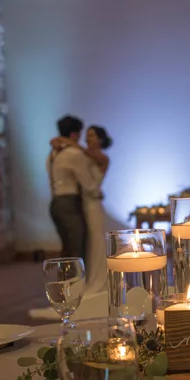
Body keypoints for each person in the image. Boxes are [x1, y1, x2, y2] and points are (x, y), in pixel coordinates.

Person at [50, 125, 113, 295]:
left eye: (91, 135)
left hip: (92, 203)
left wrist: (67, 142)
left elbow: (91, 182)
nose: (87, 138)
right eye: (87, 135)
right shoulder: (82, 155)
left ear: (100, 139)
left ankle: (98, 281)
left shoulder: (102, 158)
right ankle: (86, 279)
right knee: (87, 243)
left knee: (96, 240)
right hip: (83, 203)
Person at [46, 116, 102, 264]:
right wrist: (98, 193)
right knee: (77, 250)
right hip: (69, 203)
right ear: (73, 134)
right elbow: (87, 182)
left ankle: (65, 278)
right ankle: (76, 278)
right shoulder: (74, 154)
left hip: (55, 203)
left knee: (67, 249)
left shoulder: (52, 154)